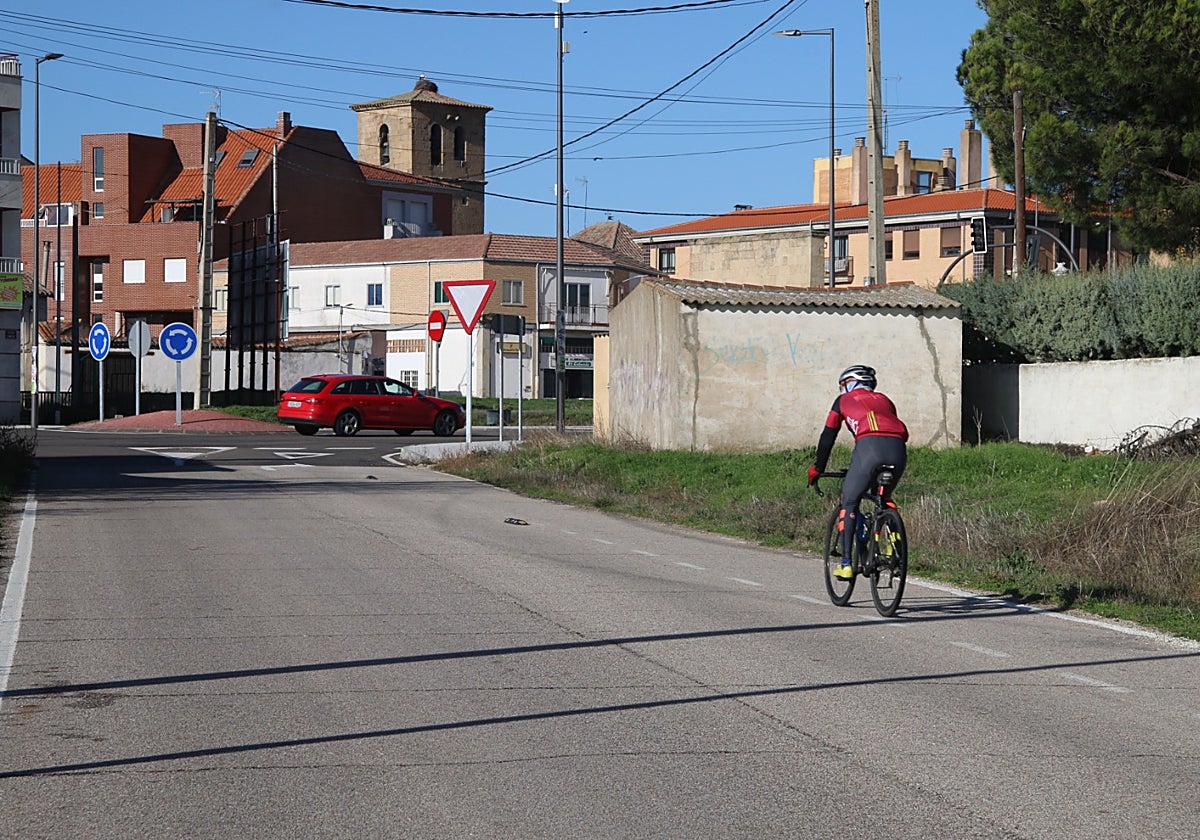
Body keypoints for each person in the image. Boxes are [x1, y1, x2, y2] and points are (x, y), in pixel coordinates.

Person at [806, 364, 909, 579]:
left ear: (849, 383)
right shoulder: (885, 399)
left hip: (869, 447)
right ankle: (893, 545)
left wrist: (818, 468)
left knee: (850, 501)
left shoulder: (842, 401)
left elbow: (827, 437)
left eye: (842, 384)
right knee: (884, 497)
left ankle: (846, 564)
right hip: (898, 448)